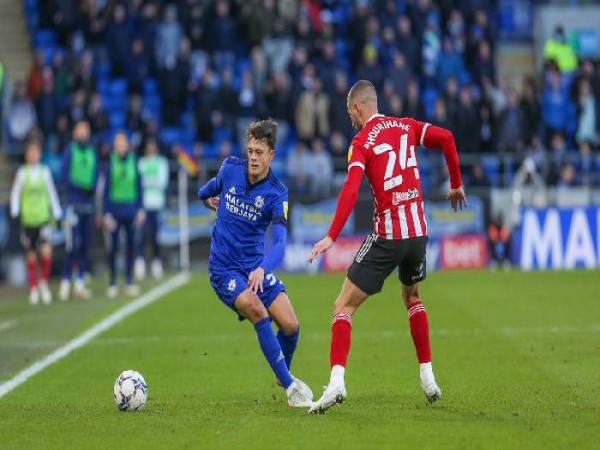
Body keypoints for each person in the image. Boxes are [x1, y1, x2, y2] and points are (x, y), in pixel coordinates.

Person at [307, 80, 466, 414]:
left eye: (350, 110)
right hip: (418, 233)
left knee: (342, 306)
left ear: (358, 107)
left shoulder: (361, 141)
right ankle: (428, 378)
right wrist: (456, 184)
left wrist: (332, 235)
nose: (350, 116)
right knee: (412, 297)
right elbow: (448, 138)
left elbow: (351, 189)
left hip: (389, 234)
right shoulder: (406, 126)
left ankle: (336, 383)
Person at [197, 119, 313, 408]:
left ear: (271, 155)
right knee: (258, 312)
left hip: (255, 268)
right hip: (224, 270)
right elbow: (204, 191)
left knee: (291, 326)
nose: (252, 157)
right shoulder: (230, 169)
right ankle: (290, 389)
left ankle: (281, 372)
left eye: (259, 152)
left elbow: (282, 245)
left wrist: (263, 268)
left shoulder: (277, 193)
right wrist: (209, 201)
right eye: (250, 150)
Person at [10, 138, 62, 304]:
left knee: (46, 251)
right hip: (28, 220)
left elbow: (51, 193)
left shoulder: (44, 172)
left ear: (39, 154)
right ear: (26, 155)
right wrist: (15, 213)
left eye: (36, 152)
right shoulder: (21, 173)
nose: (33, 155)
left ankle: (44, 283)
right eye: (30, 152)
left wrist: (57, 213)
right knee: (31, 254)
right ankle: (33, 287)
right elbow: (15, 194)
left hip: (43, 218)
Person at [103, 132, 145, 298]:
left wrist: (140, 208)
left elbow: (139, 186)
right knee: (112, 247)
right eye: (117, 144)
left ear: (127, 145)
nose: (120, 147)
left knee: (130, 246)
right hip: (114, 210)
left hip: (131, 209)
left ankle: (128, 280)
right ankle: (113, 282)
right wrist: (106, 213)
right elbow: (105, 190)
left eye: (123, 143)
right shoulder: (109, 163)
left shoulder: (134, 161)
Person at [59, 120, 98, 300]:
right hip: (73, 205)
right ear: (75, 133)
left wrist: (91, 188)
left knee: (85, 245)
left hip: (88, 206)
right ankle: (66, 280)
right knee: (72, 244)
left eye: (86, 130)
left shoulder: (92, 153)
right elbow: (64, 176)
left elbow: (96, 176)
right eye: (80, 130)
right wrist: (80, 187)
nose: (83, 134)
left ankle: (80, 281)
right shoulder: (69, 151)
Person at [135, 138, 169, 281]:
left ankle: (156, 264)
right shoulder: (141, 162)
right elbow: (137, 183)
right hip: (143, 205)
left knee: (155, 236)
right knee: (141, 235)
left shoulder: (161, 162)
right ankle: (140, 263)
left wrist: (146, 181)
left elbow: (162, 182)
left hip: (157, 204)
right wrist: (150, 182)